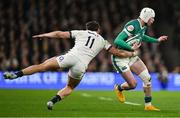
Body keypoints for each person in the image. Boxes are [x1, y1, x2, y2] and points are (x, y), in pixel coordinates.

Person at [4, 21, 140, 110]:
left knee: (42, 66)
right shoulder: (103, 41)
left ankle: (16, 74)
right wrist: (132, 52)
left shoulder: (81, 32)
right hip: (81, 65)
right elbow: (117, 53)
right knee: (70, 86)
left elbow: (59, 34)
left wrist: (45, 35)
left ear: (87, 29)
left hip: (70, 57)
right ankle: (52, 101)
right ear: (98, 30)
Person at [111, 8, 168, 111]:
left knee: (147, 78)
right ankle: (119, 88)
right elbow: (117, 40)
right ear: (146, 17)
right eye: (152, 18)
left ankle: (148, 105)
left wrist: (157, 40)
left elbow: (142, 37)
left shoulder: (144, 26)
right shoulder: (132, 25)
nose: (153, 20)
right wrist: (131, 48)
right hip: (120, 56)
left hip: (131, 55)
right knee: (133, 85)